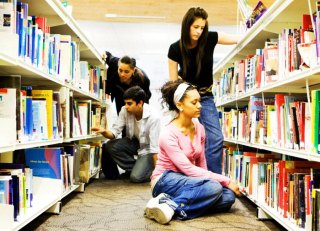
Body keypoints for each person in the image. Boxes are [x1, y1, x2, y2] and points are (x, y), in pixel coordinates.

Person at [144, 80, 241, 225]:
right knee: (215, 188)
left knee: (228, 196)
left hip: (187, 179)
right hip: (165, 180)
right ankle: (171, 204)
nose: (200, 106)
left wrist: (210, 181)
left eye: (199, 101)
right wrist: (224, 181)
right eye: (194, 102)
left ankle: (168, 206)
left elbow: (201, 162)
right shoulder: (168, 134)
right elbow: (188, 168)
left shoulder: (199, 127)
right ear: (179, 105)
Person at [167, 7, 242, 174]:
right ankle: (186, 175)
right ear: (186, 26)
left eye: (202, 27)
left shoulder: (210, 38)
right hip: (186, 99)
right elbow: (172, 83)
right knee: (185, 140)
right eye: (195, 27)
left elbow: (237, 39)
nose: (199, 31)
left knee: (215, 138)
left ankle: (214, 179)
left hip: (206, 97)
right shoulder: (174, 49)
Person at [91, 86, 160, 183]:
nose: (126, 106)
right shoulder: (124, 110)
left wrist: (158, 174)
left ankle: (147, 170)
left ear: (140, 103)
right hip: (134, 142)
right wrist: (104, 131)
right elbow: (114, 133)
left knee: (136, 178)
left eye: (129, 103)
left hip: (148, 148)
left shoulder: (154, 117)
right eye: (125, 103)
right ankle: (138, 168)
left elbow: (155, 149)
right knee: (109, 146)